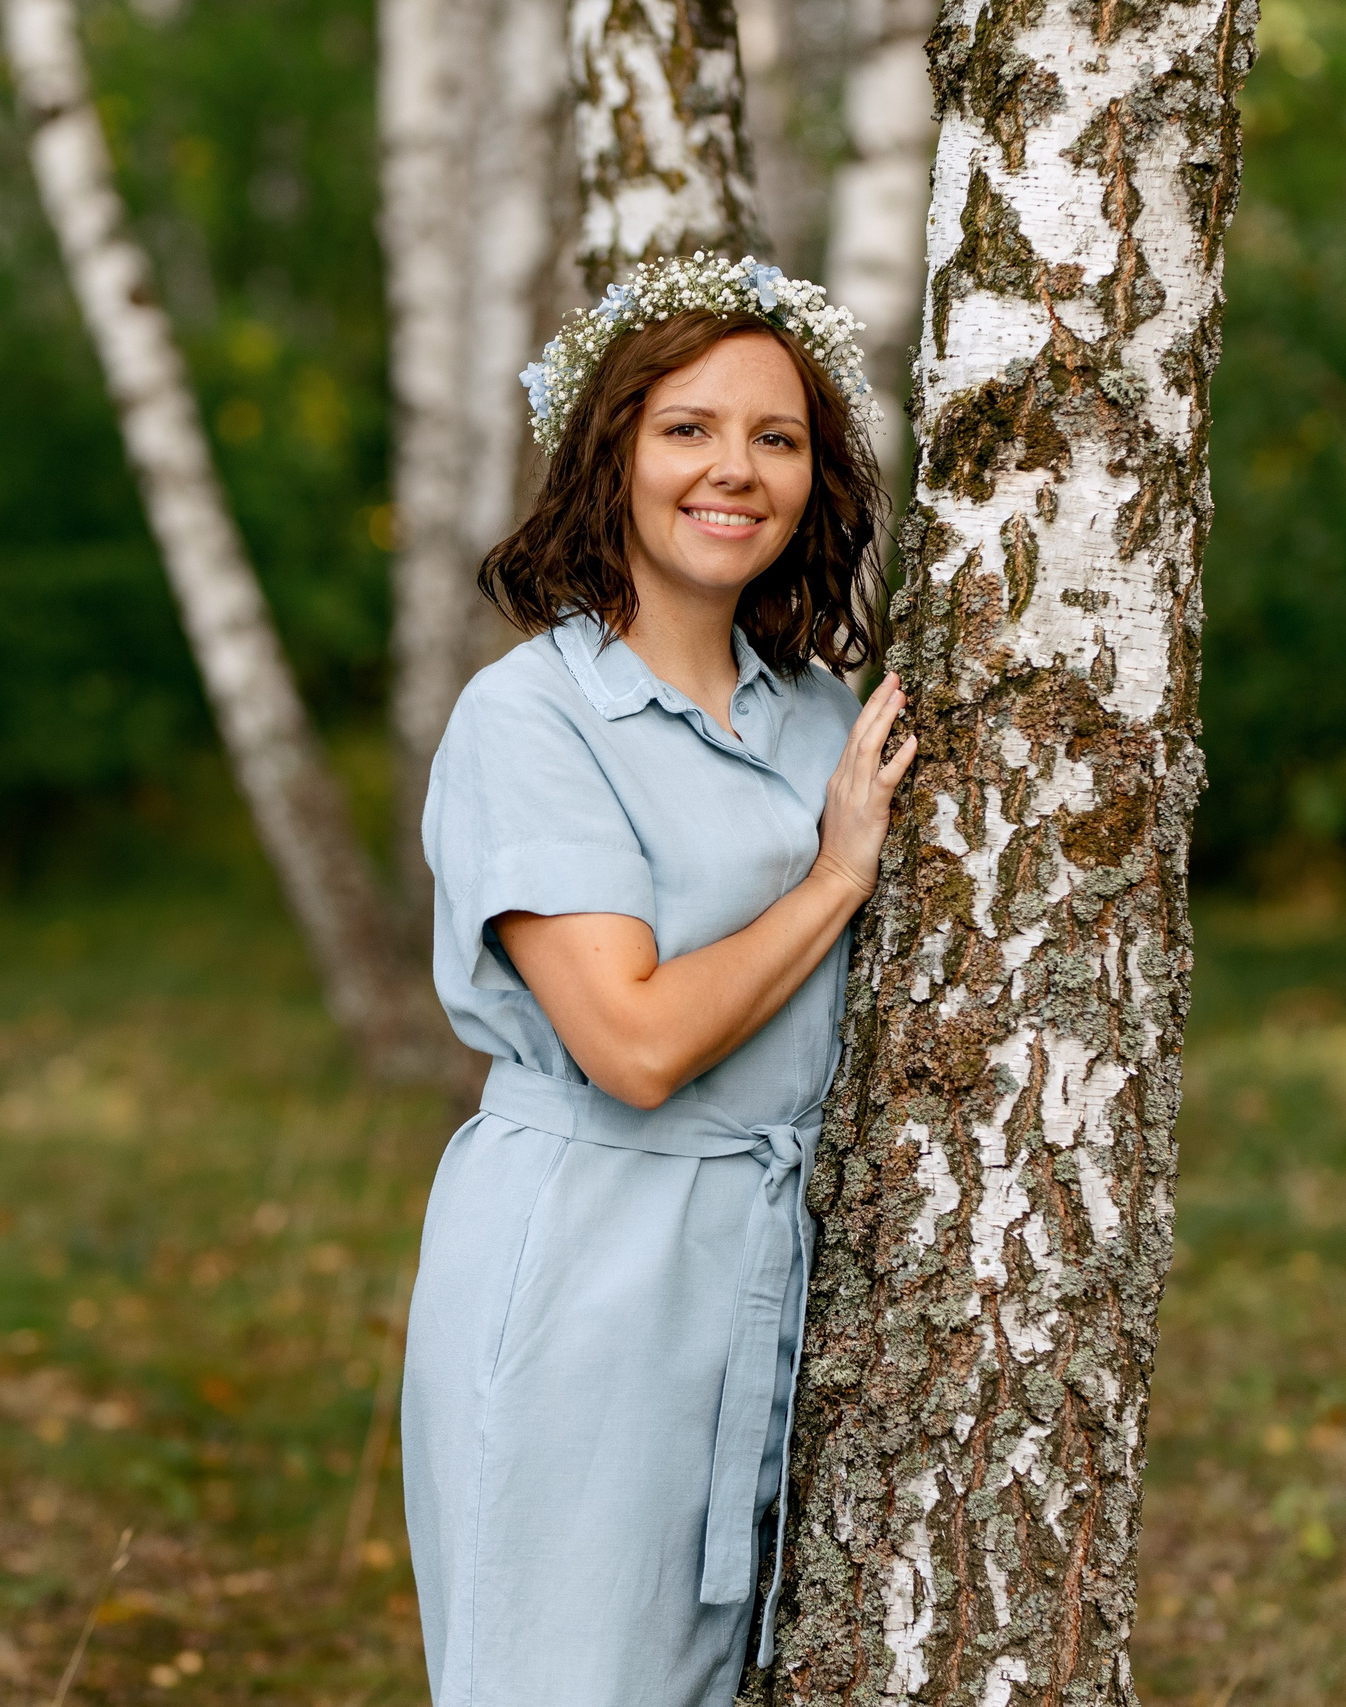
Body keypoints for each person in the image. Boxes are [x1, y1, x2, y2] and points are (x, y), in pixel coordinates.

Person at [402, 254, 916, 1707]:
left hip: (777, 1278)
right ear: (611, 453)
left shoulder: (825, 716)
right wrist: (834, 879)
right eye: (687, 428)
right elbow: (627, 1042)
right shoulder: (533, 719)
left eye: (777, 437)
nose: (733, 470)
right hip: (584, 1276)